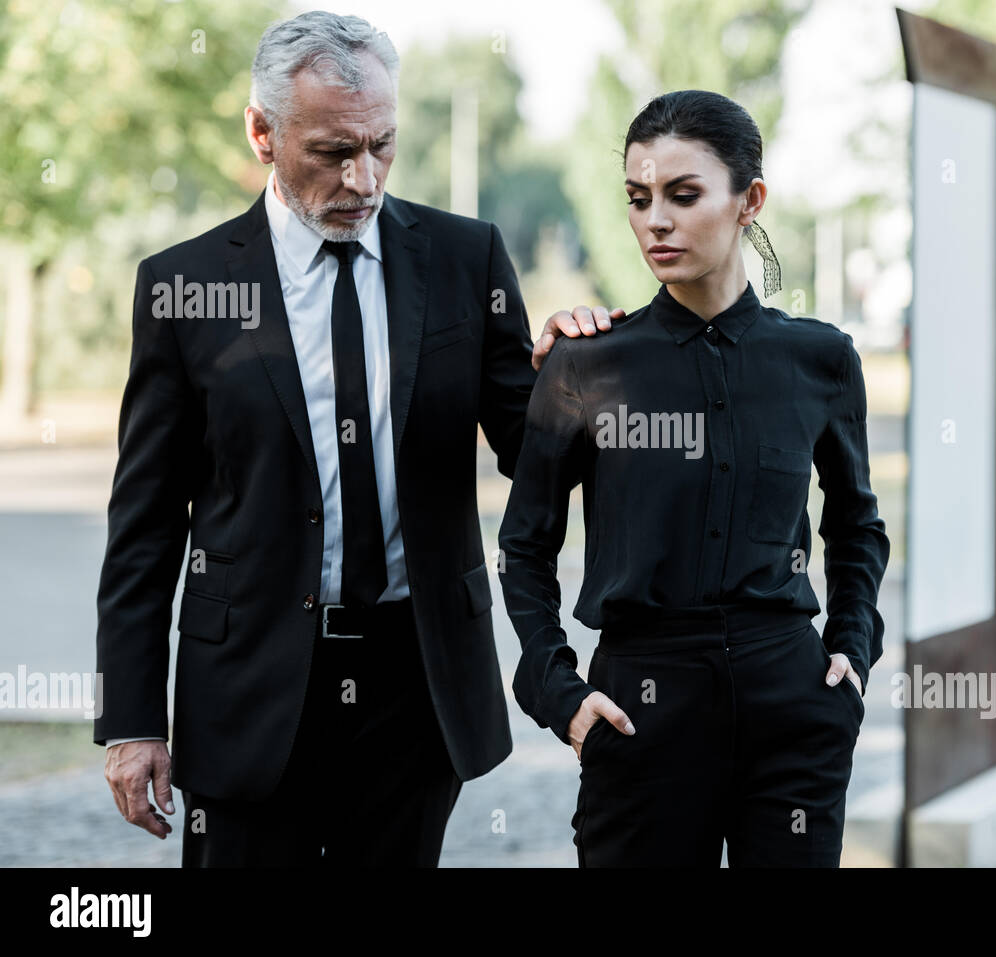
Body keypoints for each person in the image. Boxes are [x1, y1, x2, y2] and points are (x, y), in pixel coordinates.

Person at [95, 10, 615, 866]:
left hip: (417, 686)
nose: (363, 178)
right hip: (248, 688)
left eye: (382, 145)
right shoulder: (184, 286)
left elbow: (533, 455)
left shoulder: (466, 260)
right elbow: (144, 523)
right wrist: (131, 719)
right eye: (333, 151)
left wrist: (578, 378)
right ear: (262, 132)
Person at [498, 89, 891, 866]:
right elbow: (524, 547)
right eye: (639, 198)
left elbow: (857, 525)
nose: (656, 221)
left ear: (750, 201)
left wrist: (851, 649)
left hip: (792, 705)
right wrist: (559, 693)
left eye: (683, 195)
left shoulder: (822, 359)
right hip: (639, 708)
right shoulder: (584, 364)